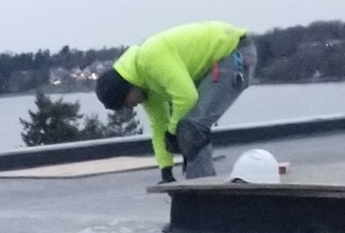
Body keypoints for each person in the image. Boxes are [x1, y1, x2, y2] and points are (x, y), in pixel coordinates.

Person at [95, 23, 255, 182]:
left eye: (125, 103)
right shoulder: (145, 86)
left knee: (191, 128)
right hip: (219, 61)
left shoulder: (149, 59)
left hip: (234, 53)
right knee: (188, 128)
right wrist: (166, 170)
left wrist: (172, 133)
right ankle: (201, 186)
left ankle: (203, 192)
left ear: (127, 88)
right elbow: (159, 127)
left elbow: (187, 97)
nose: (129, 108)